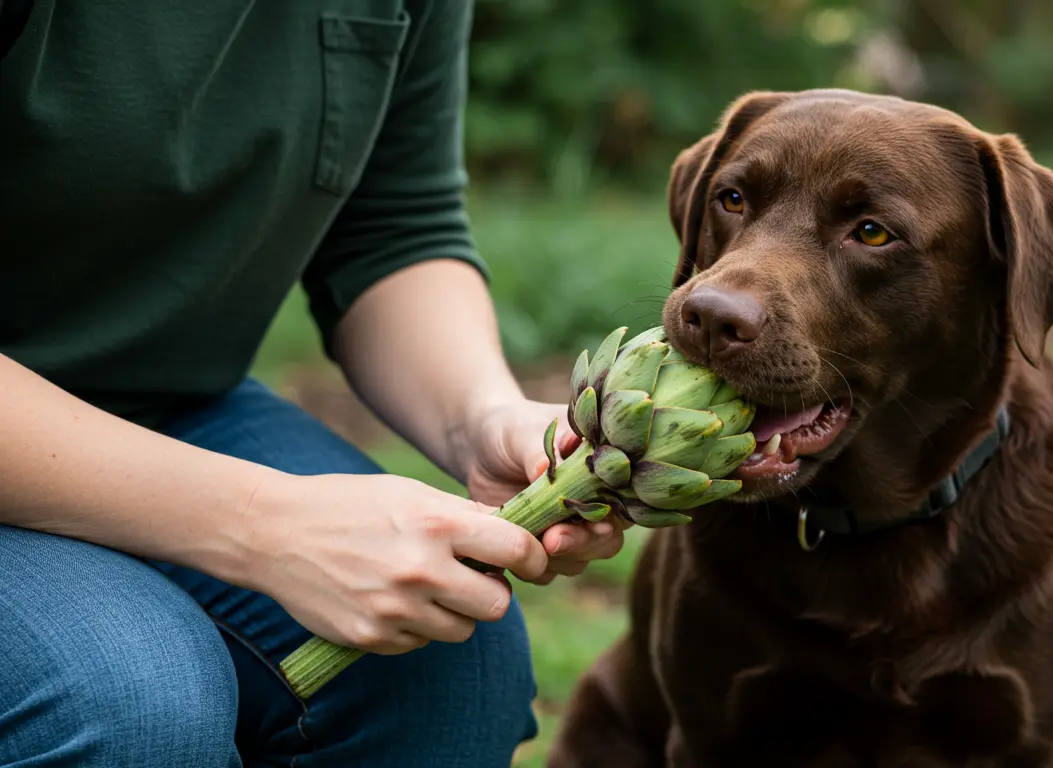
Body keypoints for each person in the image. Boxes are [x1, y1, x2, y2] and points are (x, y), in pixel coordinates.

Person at [0, 2, 629, 766]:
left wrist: (482, 416)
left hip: (165, 399)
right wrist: (265, 525)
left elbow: (393, 225)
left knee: (447, 668)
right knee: (130, 701)